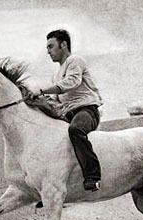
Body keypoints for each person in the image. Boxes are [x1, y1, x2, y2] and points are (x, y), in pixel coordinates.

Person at [27, 29, 104, 192]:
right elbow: (55, 103)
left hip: (86, 111)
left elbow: (72, 82)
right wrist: (34, 100)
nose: (48, 51)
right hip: (67, 114)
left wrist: (41, 91)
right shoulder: (55, 76)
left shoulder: (74, 61)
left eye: (51, 46)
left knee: (76, 130)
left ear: (63, 44)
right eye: (47, 48)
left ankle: (93, 176)